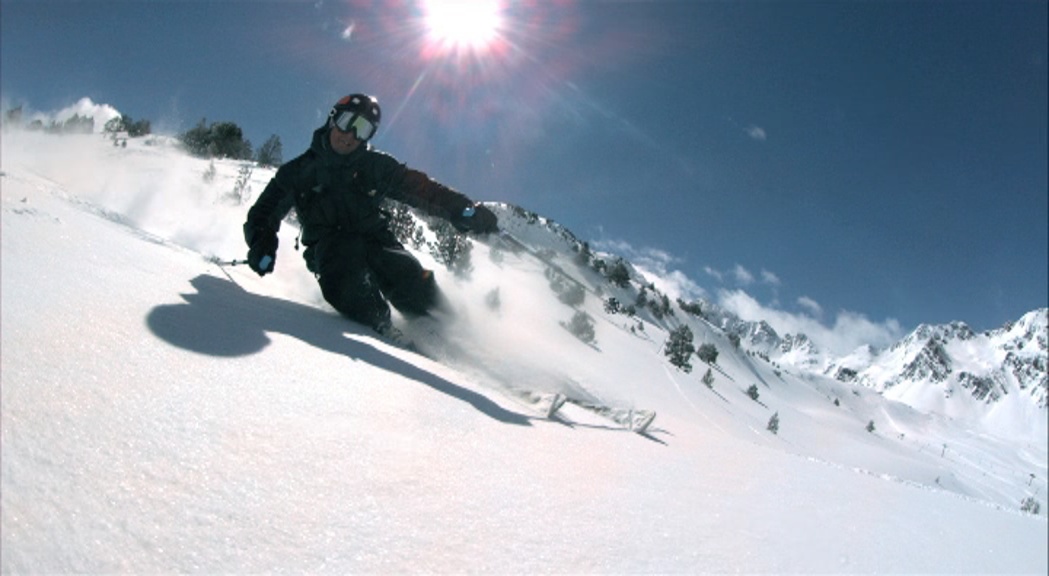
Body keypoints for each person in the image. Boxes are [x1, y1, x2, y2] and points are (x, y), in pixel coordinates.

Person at [243, 93, 498, 335]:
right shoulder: (298, 171)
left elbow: (422, 190)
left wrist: (461, 208)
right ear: (332, 119)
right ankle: (378, 323)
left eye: (362, 129)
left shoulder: (375, 166)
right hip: (329, 248)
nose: (350, 135)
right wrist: (261, 243)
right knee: (344, 267)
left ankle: (450, 329)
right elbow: (263, 213)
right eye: (345, 123)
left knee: (406, 270)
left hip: (376, 239)